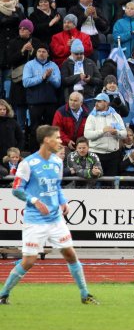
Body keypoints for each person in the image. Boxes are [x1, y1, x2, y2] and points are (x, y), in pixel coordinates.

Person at [1, 125, 98, 305]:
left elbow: (57, 187)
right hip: (35, 221)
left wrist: (63, 201)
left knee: (70, 254)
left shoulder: (57, 162)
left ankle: (85, 294)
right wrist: (35, 201)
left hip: (55, 219)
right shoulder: (28, 163)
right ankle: (3, 293)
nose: (61, 141)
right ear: (47, 140)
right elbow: (16, 189)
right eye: (57, 138)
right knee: (29, 261)